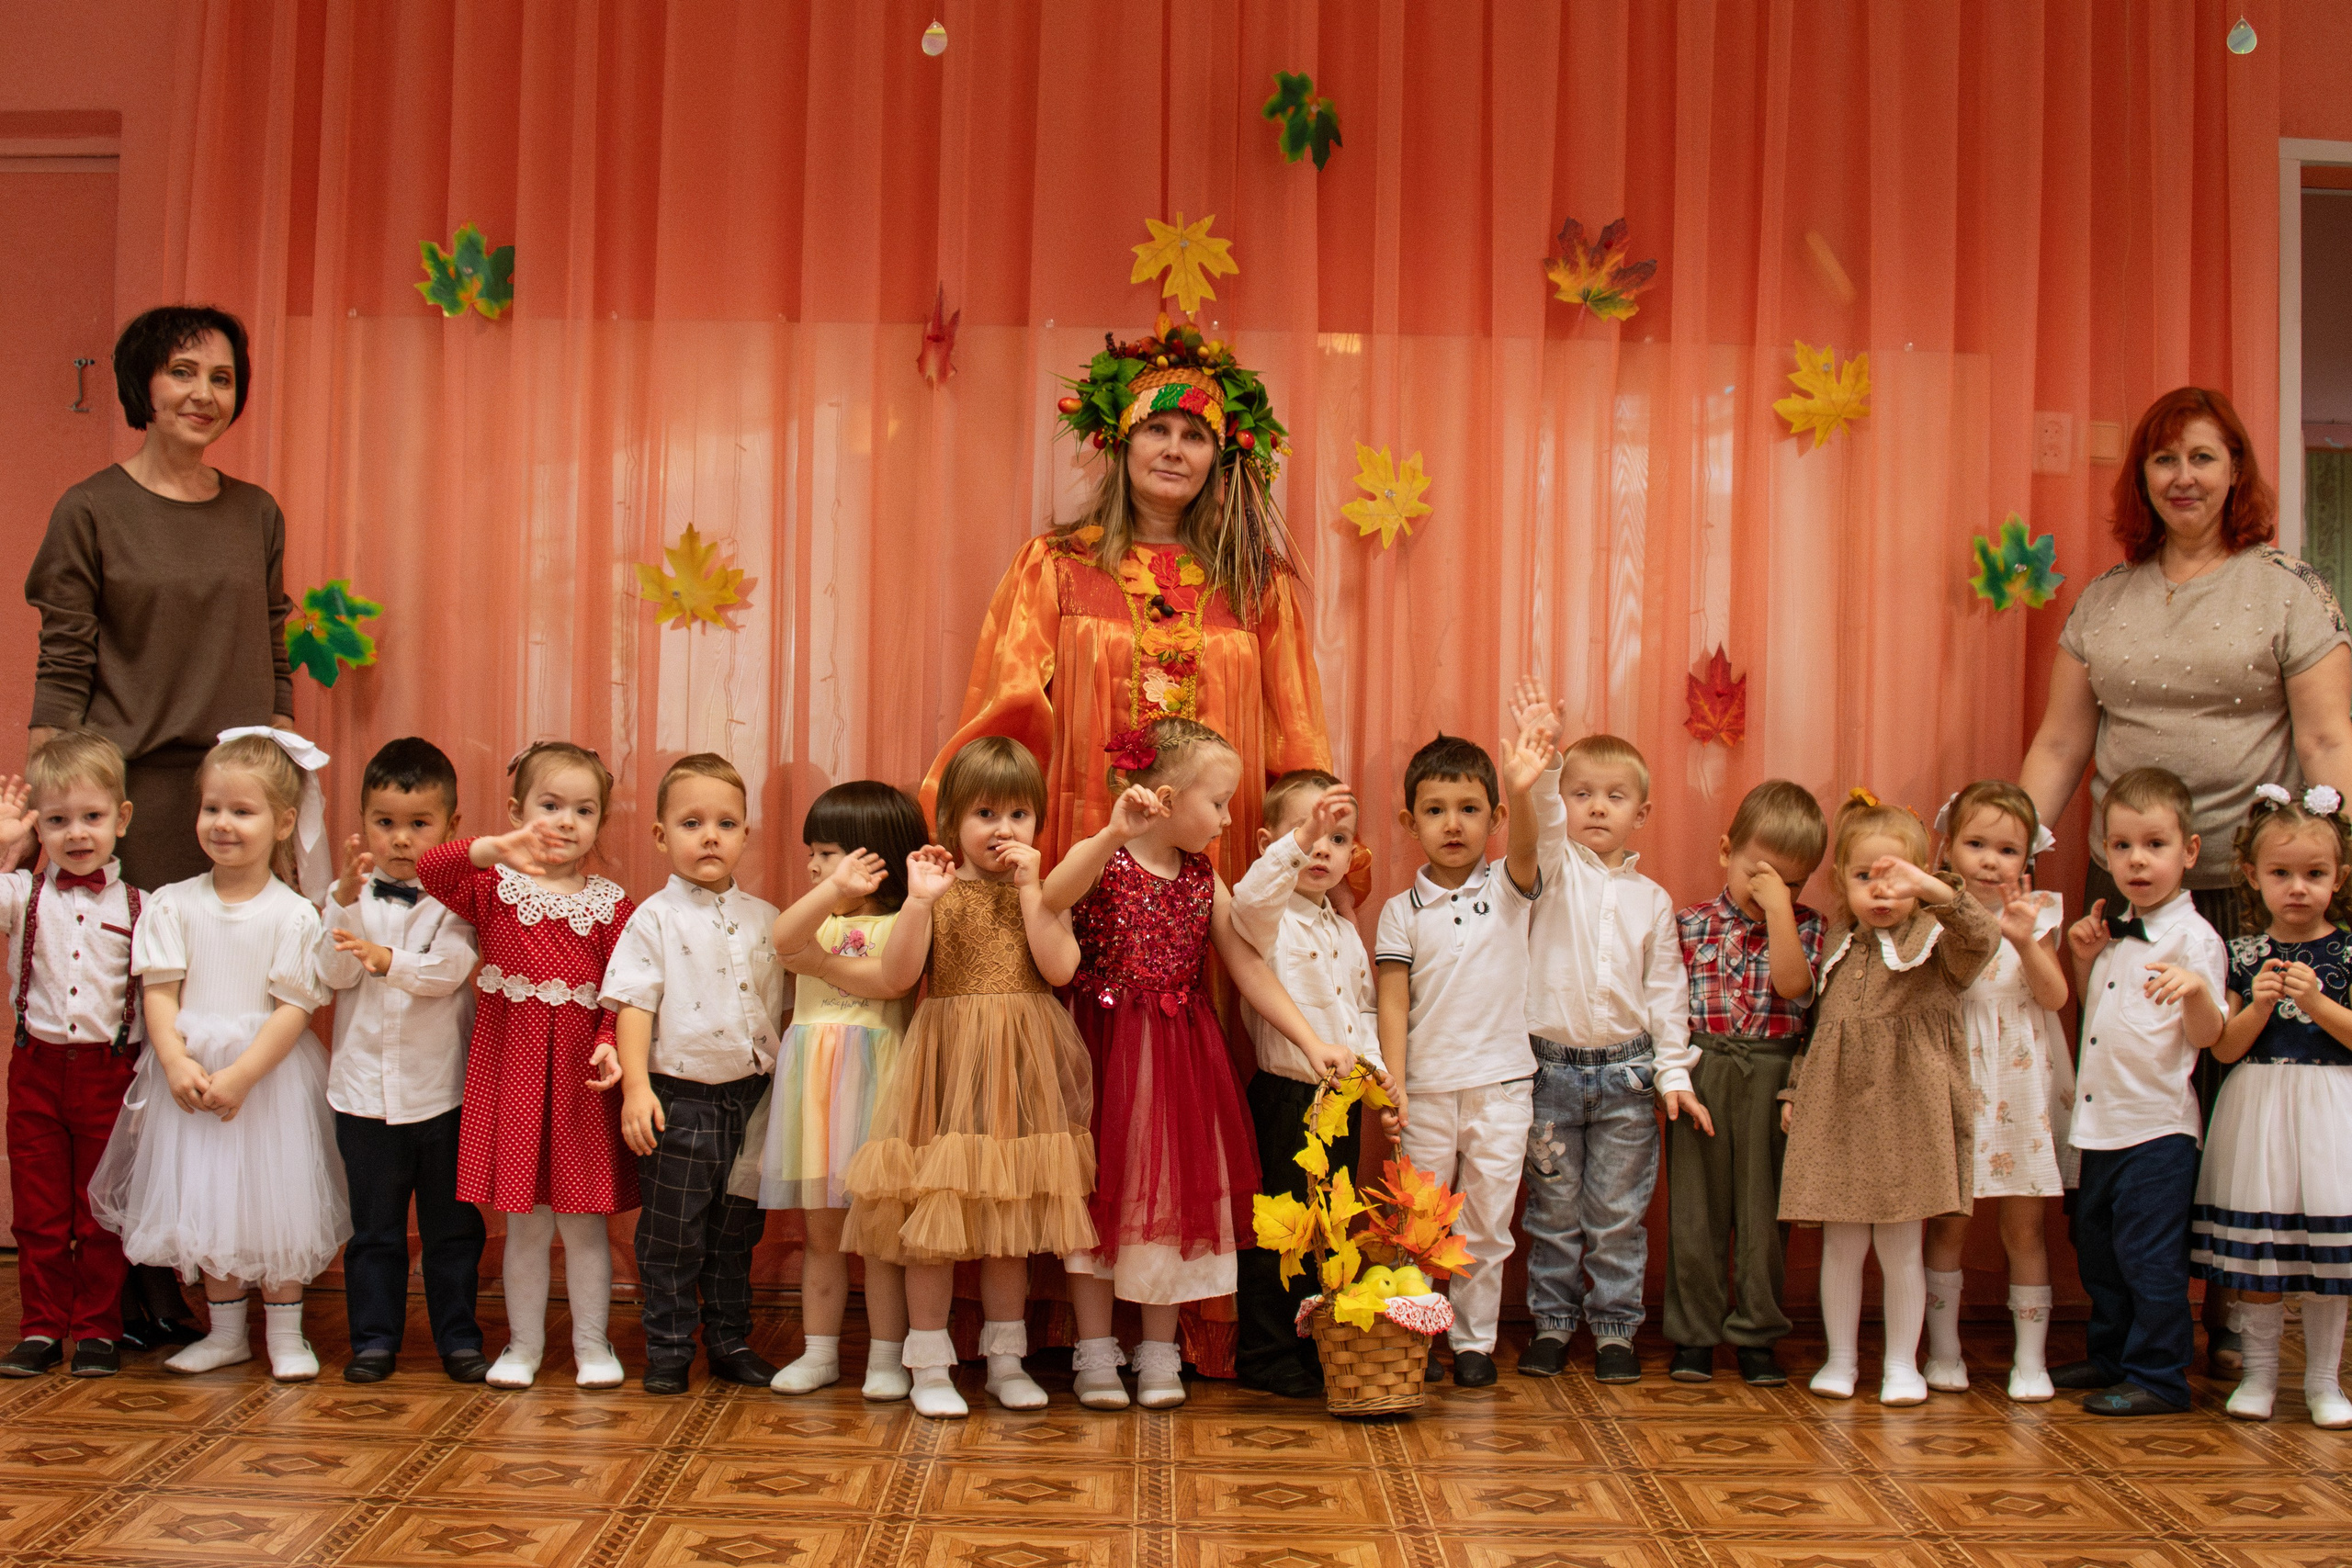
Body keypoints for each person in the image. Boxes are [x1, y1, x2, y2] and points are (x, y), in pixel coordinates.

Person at [2018, 386, 2352, 1368]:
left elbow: (2328, 736)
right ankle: (2128, 1327)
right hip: (2129, 888)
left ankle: (2223, 1328)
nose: (2183, 478)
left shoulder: (2290, 590)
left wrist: (2344, 864)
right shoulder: (2104, 600)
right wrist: (2006, 852)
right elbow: (2058, 744)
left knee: (2230, 1105)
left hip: (2251, 883)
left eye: (2203, 458)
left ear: (2235, 471)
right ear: (2142, 479)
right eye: (2164, 461)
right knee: (2127, 1104)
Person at [922, 318, 1331, 891]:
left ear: (1219, 455)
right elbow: (1011, 715)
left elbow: (1293, 732)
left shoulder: (1256, 582)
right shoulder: (1057, 566)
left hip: (1220, 851)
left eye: (1194, 436)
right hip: (1084, 839)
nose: (1173, 450)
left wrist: (1318, 849)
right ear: (1121, 441)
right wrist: (980, 831)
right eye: (1156, 429)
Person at [1044, 718, 1345, 1411]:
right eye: (1218, 802)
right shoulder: (1107, 859)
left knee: (1169, 1207)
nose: (1228, 817)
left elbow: (1249, 966)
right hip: (1102, 1056)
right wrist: (1113, 832)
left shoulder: (1205, 879)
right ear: (1168, 797)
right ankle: (1095, 1351)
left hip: (1180, 1065)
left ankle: (1157, 1351)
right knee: (1099, 1201)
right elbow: (1055, 895)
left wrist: (1310, 1039)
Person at [840, 738, 1098, 1420]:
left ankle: (1006, 1359)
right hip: (946, 1063)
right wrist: (920, 903)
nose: (1004, 829)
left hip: (1022, 1065)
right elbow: (898, 977)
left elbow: (1061, 968)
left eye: (1019, 813)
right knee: (937, 1213)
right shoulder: (938, 889)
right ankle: (927, 1360)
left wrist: (1034, 891)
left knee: (1008, 1214)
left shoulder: (1040, 891)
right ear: (951, 819)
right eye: (985, 812)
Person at [87, 730, 346, 1381]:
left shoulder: (293, 915)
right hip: (192, 1077)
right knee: (207, 1202)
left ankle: (286, 1333)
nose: (223, 823)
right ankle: (227, 1330)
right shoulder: (173, 903)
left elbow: (295, 1007)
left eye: (243, 810)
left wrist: (242, 1075)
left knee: (275, 1204)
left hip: (266, 1081)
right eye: (213, 808)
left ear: (283, 821)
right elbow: (160, 992)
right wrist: (175, 1061)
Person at [25, 306, 295, 892]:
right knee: (135, 981)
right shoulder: (90, 509)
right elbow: (63, 664)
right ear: (142, 383)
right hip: (129, 801)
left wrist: (281, 789)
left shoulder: (258, 512)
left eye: (222, 379)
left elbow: (273, 644)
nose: (204, 394)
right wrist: (45, 801)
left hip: (238, 799)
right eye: (182, 372)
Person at [416, 741, 637, 1392]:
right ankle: (523, 1344)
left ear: (601, 821)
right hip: (511, 1074)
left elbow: (626, 988)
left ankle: (592, 1345)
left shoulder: (612, 904)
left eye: (583, 809)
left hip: (578, 1082)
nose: (567, 821)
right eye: (550, 805)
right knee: (525, 1223)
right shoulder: (495, 888)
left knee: (583, 1220)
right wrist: (491, 847)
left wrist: (607, 1038)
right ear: (517, 811)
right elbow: (433, 869)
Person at [1777, 791, 1998, 1406]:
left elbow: (1983, 935)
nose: (1880, 891)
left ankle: (1903, 1362)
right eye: (1864, 876)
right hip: (1840, 1111)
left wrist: (1929, 887)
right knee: (1843, 1243)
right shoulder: (1839, 946)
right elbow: (1820, 1028)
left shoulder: (1937, 944)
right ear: (1841, 880)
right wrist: (1796, 1088)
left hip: (1909, 1112)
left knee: (1900, 1243)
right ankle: (1842, 1358)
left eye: (1894, 878)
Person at [1516, 690, 1704, 1384]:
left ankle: (1617, 1329)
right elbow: (1539, 816)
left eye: (1614, 796)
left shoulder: (1651, 900)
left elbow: (1666, 996)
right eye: (1582, 794)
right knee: (1555, 1209)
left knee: (1618, 1215)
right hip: (1551, 1075)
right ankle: (1552, 1323)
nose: (1597, 806)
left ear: (1640, 813)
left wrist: (1673, 1076)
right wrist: (1544, 755)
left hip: (1628, 1077)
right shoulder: (1553, 870)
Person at [599, 754, 783, 1396]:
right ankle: (670, 1346)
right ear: (660, 835)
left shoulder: (767, 917)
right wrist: (637, 1088)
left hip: (753, 1100)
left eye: (726, 822)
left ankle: (730, 1340)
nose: (710, 835)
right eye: (692, 821)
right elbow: (633, 1002)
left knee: (734, 1232)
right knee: (673, 1232)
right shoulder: (653, 918)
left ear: (744, 835)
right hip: (679, 1101)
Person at [1373, 724, 1546, 1388]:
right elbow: (1393, 1002)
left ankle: (1473, 1343)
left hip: (1503, 1087)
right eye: (1436, 810)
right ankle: (1417, 1338)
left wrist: (1526, 789)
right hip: (1426, 1088)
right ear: (1409, 819)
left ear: (1495, 817)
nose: (1454, 824)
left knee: (1486, 1223)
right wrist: (1395, 1084)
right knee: (1417, 1222)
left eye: (1471, 809)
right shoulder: (1399, 911)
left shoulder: (1507, 885)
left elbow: (1529, 847)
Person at [2054, 766, 2227, 1416]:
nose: (2137, 859)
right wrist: (2080, 958)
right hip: (2101, 1126)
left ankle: (2159, 1374)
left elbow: (2208, 1037)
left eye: (2154, 844)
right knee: (2097, 1249)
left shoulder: (2193, 940)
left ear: (2189, 851)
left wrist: (2198, 992)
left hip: (2156, 1129)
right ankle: (2112, 1353)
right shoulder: (2114, 929)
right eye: (2122, 845)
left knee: (2148, 1255)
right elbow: (2096, 1023)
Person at [752, 781, 929, 1401]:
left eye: (826, 853)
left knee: (879, 1234)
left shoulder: (905, 919)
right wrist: (831, 889)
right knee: (822, 1233)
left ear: (870, 856)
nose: (812, 865)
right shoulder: (817, 916)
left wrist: (824, 964)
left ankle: (886, 1357)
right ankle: (820, 1350)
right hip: (814, 1091)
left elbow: (889, 980)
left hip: (878, 1083)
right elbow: (782, 939)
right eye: (812, 853)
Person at [319, 739, 486, 1385]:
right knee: (375, 1232)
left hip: (443, 1092)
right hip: (362, 1095)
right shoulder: (348, 898)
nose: (401, 839)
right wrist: (337, 903)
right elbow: (329, 973)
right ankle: (374, 1339)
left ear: (452, 827)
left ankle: (459, 1339)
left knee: (451, 1230)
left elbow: (449, 971)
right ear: (362, 822)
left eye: (420, 824)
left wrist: (387, 959)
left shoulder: (461, 899)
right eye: (384, 822)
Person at [2192, 785, 2352, 1427]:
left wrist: (2317, 1003)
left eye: (2314, 874)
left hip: (2330, 1109)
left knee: (2327, 1255)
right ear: (2252, 877)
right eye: (2281, 873)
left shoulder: (2344, 951)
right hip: (2258, 1105)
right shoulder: (2243, 954)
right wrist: (2258, 1004)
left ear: (2338, 877)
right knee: (2261, 1247)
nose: (2297, 888)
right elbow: (2224, 1048)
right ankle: (2259, 1374)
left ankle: (2321, 1381)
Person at [1665, 779, 1827, 1389]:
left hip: (1773, 1073)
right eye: (1761, 874)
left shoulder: (1810, 930)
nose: (1772, 892)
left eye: (1792, 882)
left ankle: (1757, 1332)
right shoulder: (1688, 924)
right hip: (1702, 1070)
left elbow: (1793, 987)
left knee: (1763, 1215)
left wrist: (1782, 910)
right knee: (1696, 1212)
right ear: (1726, 850)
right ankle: (1694, 1333)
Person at [1228, 769, 1383, 1397]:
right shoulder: (1272, 920)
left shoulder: (1342, 928)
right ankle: (1266, 1352)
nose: (1323, 848)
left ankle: (1316, 1342)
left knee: (1329, 1227)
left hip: (1339, 1105)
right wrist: (1296, 841)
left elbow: (1361, 1011)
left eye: (1338, 838)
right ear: (1272, 840)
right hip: (1287, 1096)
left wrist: (1380, 1078)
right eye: (1308, 834)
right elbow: (1250, 898)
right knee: (1280, 1230)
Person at [1919, 782, 2074, 1403]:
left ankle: (2031, 1360)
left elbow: (2055, 996)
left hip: (2018, 1079)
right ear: (1948, 848)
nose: (1990, 859)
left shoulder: (2040, 913)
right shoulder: (1932, 911)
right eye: (1976, 843)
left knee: (2025, 1226)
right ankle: (1943, 1349)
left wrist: (2025, 939)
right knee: (1950, 1220)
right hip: (1955, 1070)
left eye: (2006, 849)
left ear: (2027, 860)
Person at [0, 733, 144, 1378]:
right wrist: (8, 850)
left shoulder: (143, 905)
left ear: (122, 816)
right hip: (36, 1069)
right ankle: (39, 1326)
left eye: (91, 816)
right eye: (57, 820)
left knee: (99, 1209)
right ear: (41, 829)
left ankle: (96, 1327)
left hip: (108, 1072)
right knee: (38, 1208)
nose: (76, 833)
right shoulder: (21, 895)